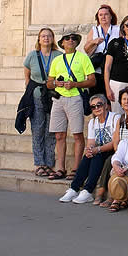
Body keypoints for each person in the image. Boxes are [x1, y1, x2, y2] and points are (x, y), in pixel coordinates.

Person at [46, 31, 96, 180]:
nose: (70, 41)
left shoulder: (83, 58)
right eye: (67, 39)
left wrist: (75, 84)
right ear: (62, 43)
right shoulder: (57, 60)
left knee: (77, 134)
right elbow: (49, 83)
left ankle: (76, 168)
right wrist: (56, 83)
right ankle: (60, 168)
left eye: (74, 38)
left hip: (75, 97)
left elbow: (92, 80)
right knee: (59, 135)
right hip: (59, 98)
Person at [58, 95, 119, 205]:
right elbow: (91, 142)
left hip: (113, 150)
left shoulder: (115, 118)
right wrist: (90, 149)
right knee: (88, 155)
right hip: (99, 150)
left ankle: (88, 190)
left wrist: (97, 149)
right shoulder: (93, 122)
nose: (96, 108)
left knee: (97, 155)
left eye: (99, 105)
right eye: (93, 107)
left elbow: (115, 142)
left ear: (105, 105)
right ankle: (74, 188)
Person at [23, 27, 57, 175]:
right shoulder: (32, 55)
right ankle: (39, 163)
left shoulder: (58, 55)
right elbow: (27, 72)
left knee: (51, 130)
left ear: (53, 38)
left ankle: (49, 163)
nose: (46, 38)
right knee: (37, 129)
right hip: (36, 95)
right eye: (43, 36)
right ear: (39, 39)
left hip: (53, 96)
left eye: (49, 36)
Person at [83, 4, 119, 96]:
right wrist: (94, 42)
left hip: (113, 67)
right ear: (97, 17)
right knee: (97, 95)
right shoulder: (94, 30)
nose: (103, 17)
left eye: (106, 14)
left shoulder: (117, 29)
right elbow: (86, 50)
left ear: (111, 16)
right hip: (98, 68)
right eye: (100, 15)